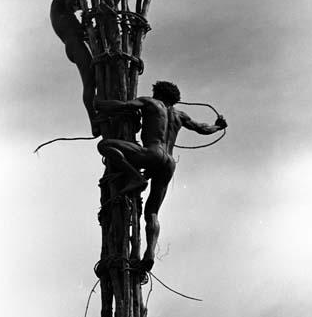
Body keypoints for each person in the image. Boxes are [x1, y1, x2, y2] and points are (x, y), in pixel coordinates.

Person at [95, 81, 227, 270]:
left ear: (157, 92)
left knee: (105, 146)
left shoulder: (150, 102)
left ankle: (136, 177)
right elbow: (203, 129)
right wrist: (218, 126)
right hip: (169, 163)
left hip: (152, 153)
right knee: (152, 212)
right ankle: (149, 253)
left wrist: (100, 105)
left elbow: (124, 106)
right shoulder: (180, 116)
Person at [50, 0, 99, 136]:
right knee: (90, 82)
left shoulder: (68, 14)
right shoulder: (58, 2)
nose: (75, 7)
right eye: (76, 3)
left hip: (77, 44)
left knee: (97, 79)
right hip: (74, 45)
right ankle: (94, 121)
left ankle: (101, 112)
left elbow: (84, 32)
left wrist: (87, 21)